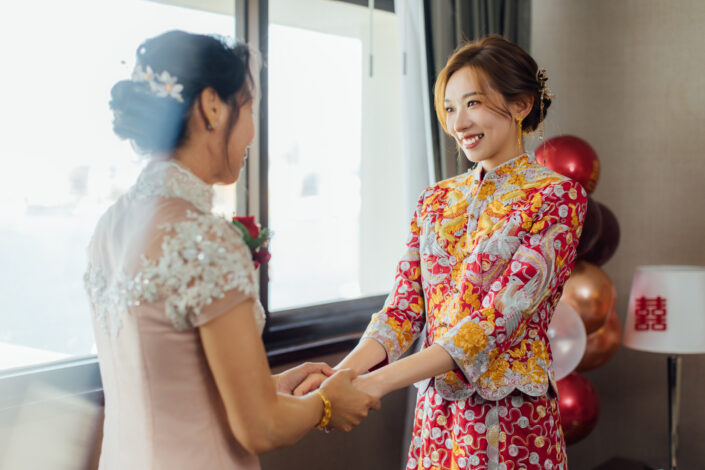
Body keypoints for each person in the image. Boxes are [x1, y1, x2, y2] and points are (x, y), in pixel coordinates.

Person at [83, 30, 379, 470]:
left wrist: (269, 386)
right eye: (250, 108)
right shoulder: (204, 238)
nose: (252, 133)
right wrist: (327, 404)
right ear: (212, 106)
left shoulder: (108, 227)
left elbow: (170, 386)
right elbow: (262, 428)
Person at [296, 35, 587, 469]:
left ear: (521, 104)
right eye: (450, 109)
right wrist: (344, 375)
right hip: (437, 416)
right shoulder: (435, 200)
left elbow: (496, 321)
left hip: (512, 418)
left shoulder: (556, 197)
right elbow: (403, 309)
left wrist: (377, 384)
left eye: (473, 103)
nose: (458, 123)